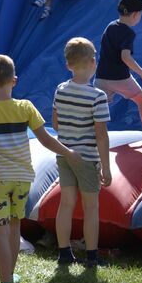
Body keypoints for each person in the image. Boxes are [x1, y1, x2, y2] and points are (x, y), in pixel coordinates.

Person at [0, 54, 82, 283]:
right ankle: (9, 275)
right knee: (15, 225)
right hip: (22, 178)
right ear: (15, 80)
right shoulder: (25, 108)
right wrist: (68, 151)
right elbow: (46, 138)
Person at [53, 38, 112, 267]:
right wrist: (106, 167)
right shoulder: (97, 97)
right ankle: (91, 256)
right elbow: (101, 135)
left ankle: (64, 252)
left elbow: (56, 124)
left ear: (68, 65)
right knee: (91, 207)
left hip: (64, 154)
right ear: (93, 62)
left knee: (66, 203)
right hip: (87, 158)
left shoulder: (60, 90)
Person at [95, 0, 142, 138]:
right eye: (140, 14)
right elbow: (125, 57)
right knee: (141, 99)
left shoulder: (110, 26)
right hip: (120, 78)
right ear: (134, 15)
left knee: (98, 108)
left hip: (101, 76)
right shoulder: (128, 33)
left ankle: (89, 133)